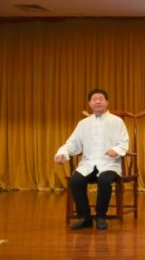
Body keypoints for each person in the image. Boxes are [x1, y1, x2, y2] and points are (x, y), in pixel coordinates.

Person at [55, 89, 129, 230]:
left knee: (105, 180)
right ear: (89, 103)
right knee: (76, 181)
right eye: (94, 99)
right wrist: (62, 153)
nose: (97, 102)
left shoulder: (117, 121)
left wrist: (116, 150)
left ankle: (100, 217)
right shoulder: (83, 123)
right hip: (88, 164)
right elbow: (72, 143)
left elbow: (124, 142)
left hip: (109, 164)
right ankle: (85, 218)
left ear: (107, 102)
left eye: (101, 99)